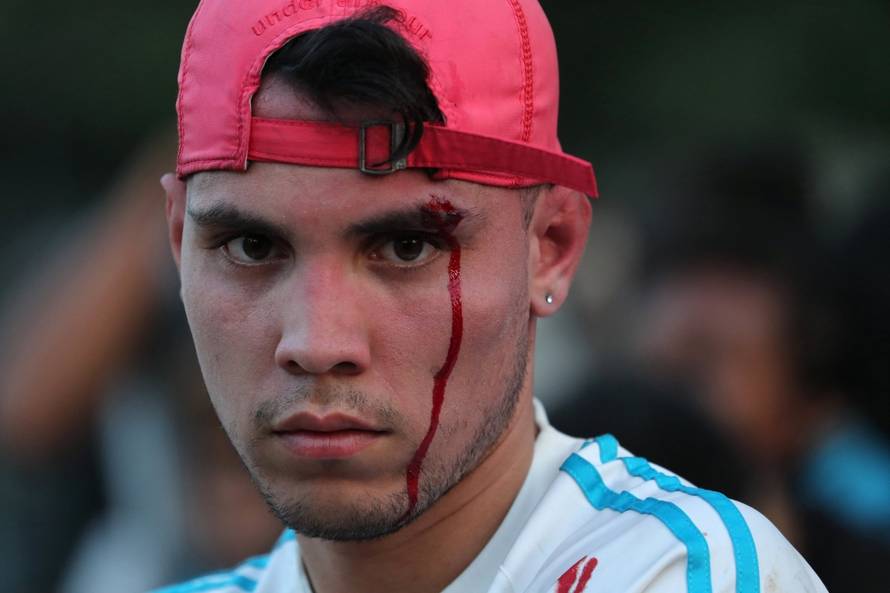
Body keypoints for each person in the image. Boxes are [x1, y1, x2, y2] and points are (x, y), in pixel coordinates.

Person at [156, 2, 828, 592]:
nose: (316, 342)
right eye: (250, 245)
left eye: (407, 247)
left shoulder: (686, 576)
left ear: (552, 246)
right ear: (178, 240)